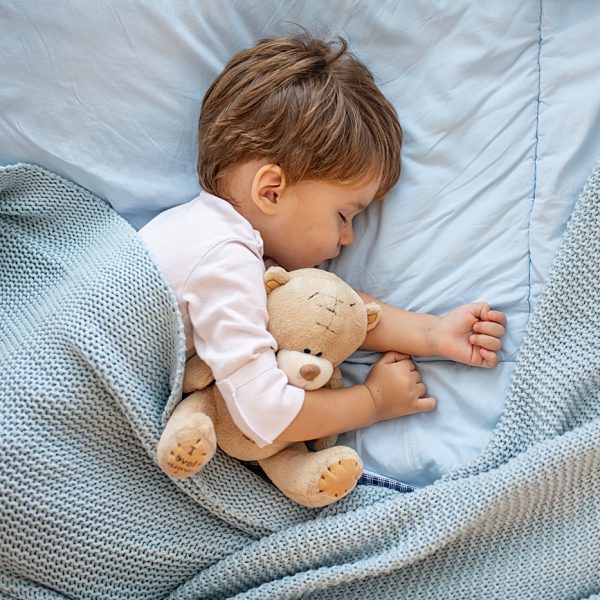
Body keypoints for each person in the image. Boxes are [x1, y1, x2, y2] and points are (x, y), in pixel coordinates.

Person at [139, 32, 506, 466]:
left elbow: (328, 311)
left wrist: (430, 333)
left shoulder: (217, 237)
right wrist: (372, 402)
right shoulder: (222, 257)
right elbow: (265, 412)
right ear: (272, 191)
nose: (347, 238)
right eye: (344, 215)